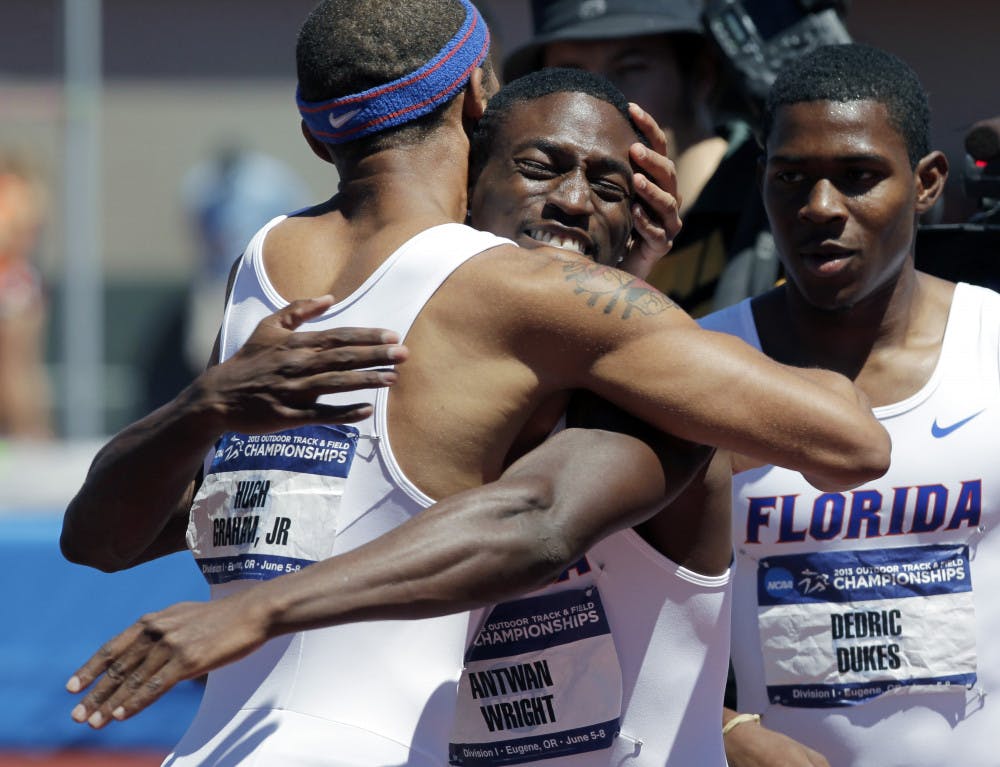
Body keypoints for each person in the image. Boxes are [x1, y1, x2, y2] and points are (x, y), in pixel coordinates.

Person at [60, 2, 889, 765]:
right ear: (475, 107)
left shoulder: (274, 268)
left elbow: (539, 515)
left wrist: (638, 304)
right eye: (540, 166)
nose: (570, 202)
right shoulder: (460, 297)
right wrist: (203, 414)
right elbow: (108, 538)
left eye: (608, 185)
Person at [697, 43, 1000, 767]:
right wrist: (730, 729)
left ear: (926, 183)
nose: (820, 209)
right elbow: (617, 609)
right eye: (791, 178)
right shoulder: (699, 366)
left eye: (858, 177)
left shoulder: (993, 346)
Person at [503, 0, 776, 315]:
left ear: (702, 75)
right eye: (570, 73)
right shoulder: (544, 224)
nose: (600, 97)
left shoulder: (772, 206)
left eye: (630, 68)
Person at [0, 150, 52, 438]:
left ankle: (30, 435)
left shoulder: (16, 191)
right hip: (15, 281)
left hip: (13, 282)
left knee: (17, 370)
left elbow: (17, 233)